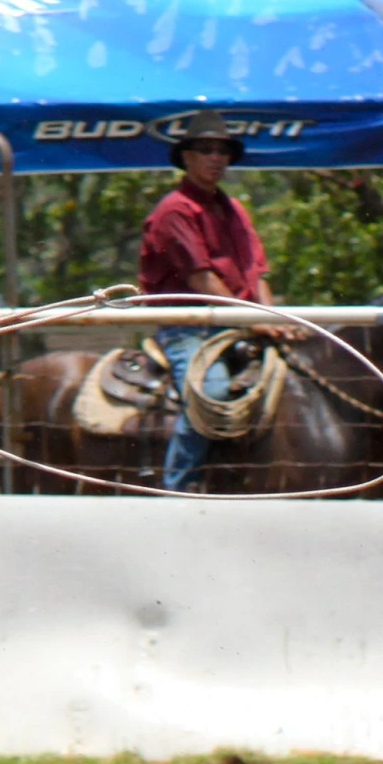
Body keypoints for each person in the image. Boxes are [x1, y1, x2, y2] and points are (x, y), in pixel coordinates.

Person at [137, 110, 285, 491]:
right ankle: (178, 486)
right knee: (211, 394)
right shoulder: (174, 211)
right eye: (206, 150)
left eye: (222, 151)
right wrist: (255, 319)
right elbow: (202, 280)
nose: (216, 158)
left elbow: (256, 271)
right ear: (187, 157)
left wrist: (272, 315)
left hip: (238, 319)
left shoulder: (233, 209)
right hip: (189, 328)